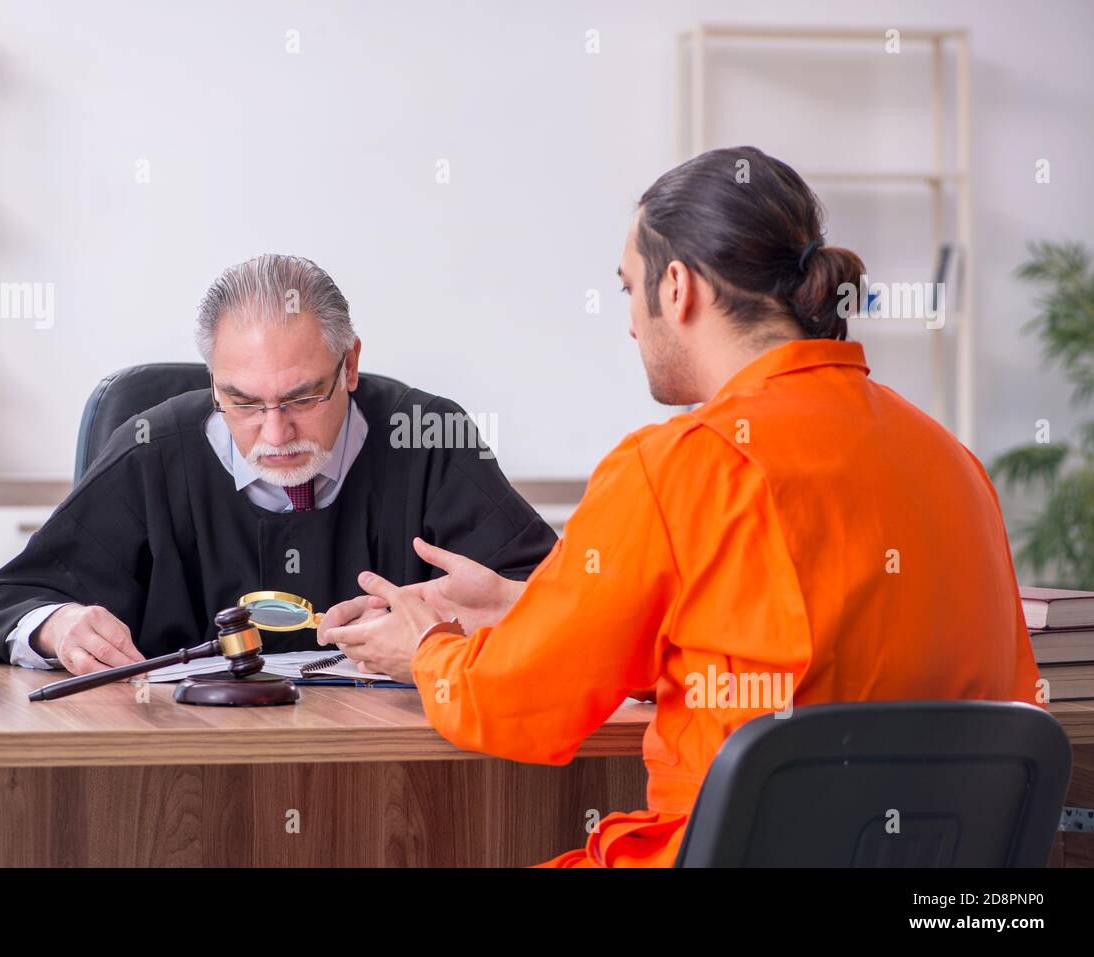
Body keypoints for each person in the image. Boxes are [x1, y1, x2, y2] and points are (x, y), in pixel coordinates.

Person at [317, 147, 1044, 867]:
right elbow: (791, 658)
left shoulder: (679, 463)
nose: (631, 322)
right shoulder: (951, 459)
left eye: (628, 287)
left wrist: (427, 648)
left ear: (677, 287)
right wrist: (525, 604)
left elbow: (514, 707)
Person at [0, 254, 557, 673]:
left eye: (301, 397)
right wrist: (58, 625)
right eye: (240, 401)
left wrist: (444, 623)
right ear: (213, 381)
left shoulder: (427, 439)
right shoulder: (150, 449)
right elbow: (9, 607)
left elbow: (556, 603)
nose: (274, 433)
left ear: (350, 365)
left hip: (390, 768)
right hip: (180, 778)